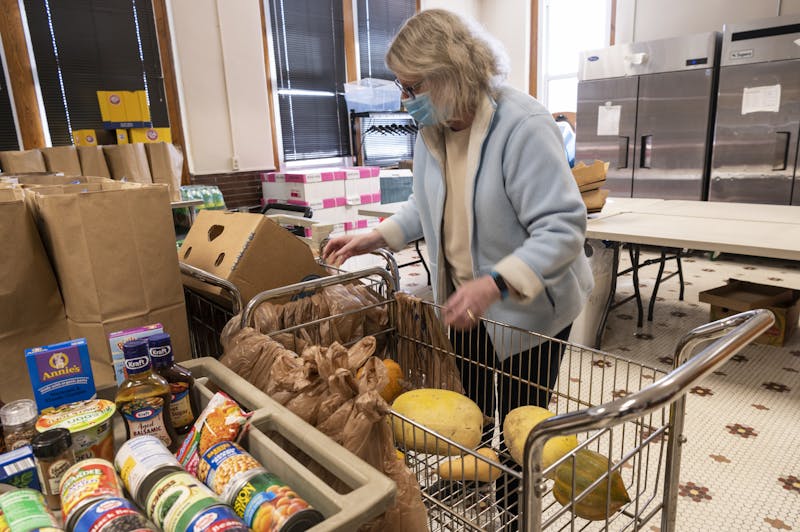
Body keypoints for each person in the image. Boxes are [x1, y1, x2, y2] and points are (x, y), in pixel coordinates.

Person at [323, 9, 593, 528]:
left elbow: (562, 228)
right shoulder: (436, 129)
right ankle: (471, 487)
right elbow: (426, 205)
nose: (407, 100)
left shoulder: (524, 126)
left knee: (520, 421)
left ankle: (515, 513)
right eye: (404, 89)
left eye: (413, 86)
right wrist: (376, 235)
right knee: (471, 410)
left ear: (449, 72)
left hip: (529, 309)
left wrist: (493, 284)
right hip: (463, 302)